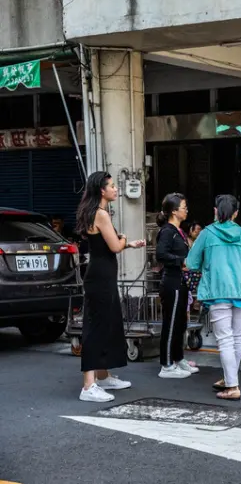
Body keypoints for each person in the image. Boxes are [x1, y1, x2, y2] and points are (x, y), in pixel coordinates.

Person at [74, 171, 146, 403]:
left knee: (108, 324)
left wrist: (130, 244)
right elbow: (114, 246)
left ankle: (103, 376)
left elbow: (105, 246)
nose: (116, 189)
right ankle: (88, 385)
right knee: (96, 327)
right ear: (102, 190)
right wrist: (124, 239)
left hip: (101, 275)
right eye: (112, 186)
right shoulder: (101, 214)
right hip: (101, 278)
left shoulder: (95, 212)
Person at [186, 194, 241, 401]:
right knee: (236, 337)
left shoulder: (207, 234)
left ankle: (233, 385)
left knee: (225, 339)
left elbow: (191, 262)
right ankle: (230, 378)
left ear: (215, 211)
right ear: (236, 213)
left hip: (218, 291)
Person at [155, 193, 198, 380]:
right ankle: (166, 364)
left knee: (181, 322)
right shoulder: (167, 231)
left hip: (181, 283)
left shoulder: (179, 231)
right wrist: (182, 261)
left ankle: (178, 358)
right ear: (174, 211)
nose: (186, 210)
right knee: (171, 323)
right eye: (183, 207)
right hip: (171, 282)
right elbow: (161, 254)